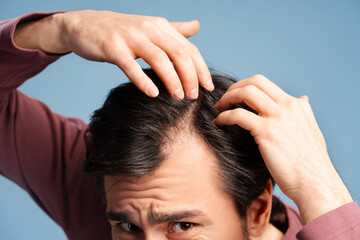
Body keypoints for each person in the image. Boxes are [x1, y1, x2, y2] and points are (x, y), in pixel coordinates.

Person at [0, 10, 359, 240]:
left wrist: (321, 189)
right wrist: (58, 30)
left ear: (257, 212)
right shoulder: (100, 189)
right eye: (127, 227)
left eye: (183, 226)